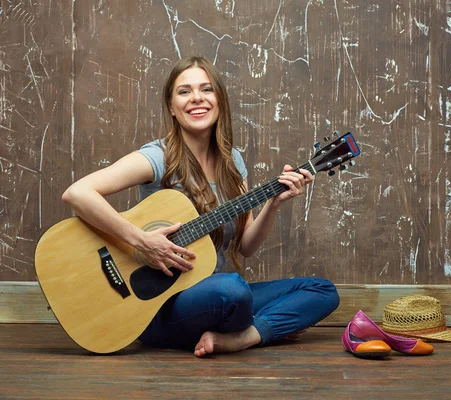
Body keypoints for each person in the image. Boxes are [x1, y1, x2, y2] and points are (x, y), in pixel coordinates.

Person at [61, 56, 340, 357]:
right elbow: (78, 193)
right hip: (152, 307)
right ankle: (255, 327)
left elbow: (245, 245)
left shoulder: (233, 162)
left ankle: (244, 337)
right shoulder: (158, 157)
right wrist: (142, 241)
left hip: (209, 295)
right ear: (171, 106)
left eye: (206, 89)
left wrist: (273, 202)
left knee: (322, 291)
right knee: (233, 291)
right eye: (184, 91)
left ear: (219, 100)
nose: (197, 98)